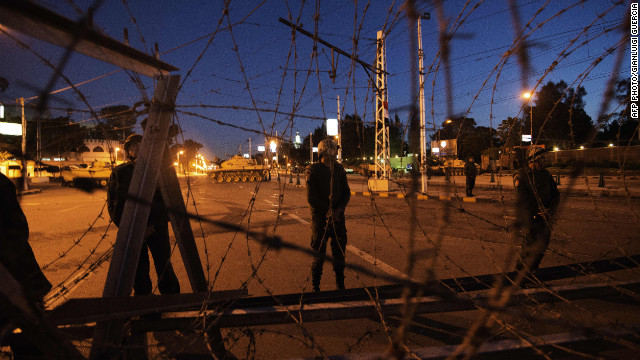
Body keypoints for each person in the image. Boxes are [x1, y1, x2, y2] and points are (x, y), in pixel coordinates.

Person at [107, 134, 180, 296]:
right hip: (132, 230)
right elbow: (113, 204)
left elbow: (167, 202)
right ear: (128, 150)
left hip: (157, 228)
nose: (138, 148)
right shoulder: (120, 172)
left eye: (141, 145)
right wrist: (129, 226)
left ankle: (171, 298)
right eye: (133, 146)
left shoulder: (158, 171)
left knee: (164, 265)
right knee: (138, 268)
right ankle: (143, 299)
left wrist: (152, 225)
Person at [0, 172, 52, 358]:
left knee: (28, 339)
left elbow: (17, 231)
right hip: (18, 279)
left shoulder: (1, 184)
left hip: (16, 278)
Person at [306, 139, 351, 292]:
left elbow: (346, 192)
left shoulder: (339, 169)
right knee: (319, 256)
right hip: (320, 219)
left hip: (338, 218)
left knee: (339, 254)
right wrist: (327, 211)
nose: (335, 153)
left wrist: (338, 210)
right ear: (324, 152)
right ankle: (315, 287)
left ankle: (340, 285)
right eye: (333, 150)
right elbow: (311, 198)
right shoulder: (313, 170)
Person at [512, 147, 560, 286]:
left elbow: (556, 195)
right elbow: (521, 199)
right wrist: (534, 213)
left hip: (545, 219)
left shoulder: (545, 174)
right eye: (542, 158)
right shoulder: (521, 175)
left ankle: (531, 273)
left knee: (541, 248)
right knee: (529, 249)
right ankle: (518, 277)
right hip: (531, 220)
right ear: (534, 159)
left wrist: (549, 211)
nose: (545, 160)